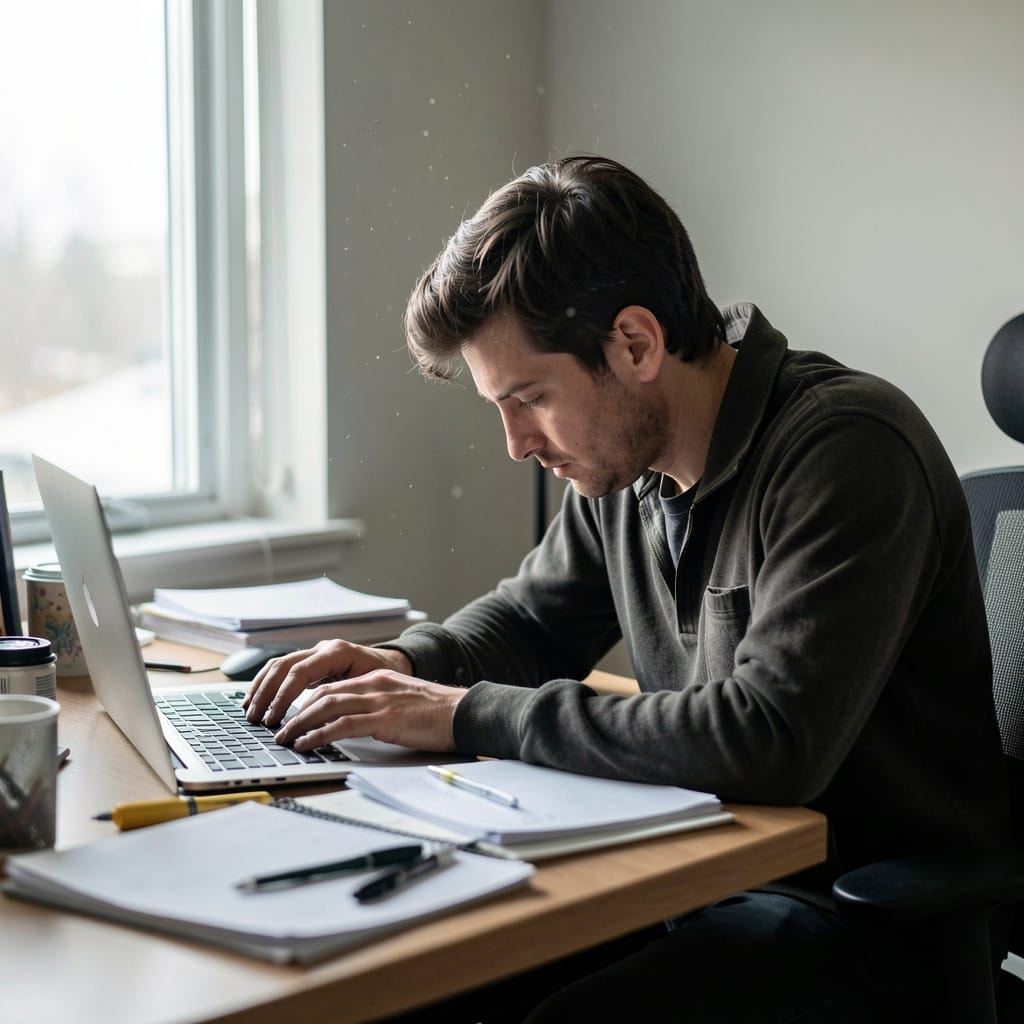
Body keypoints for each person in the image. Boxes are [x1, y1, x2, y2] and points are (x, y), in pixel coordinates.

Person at [243, 155, 1010, 1022]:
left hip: (865, 925)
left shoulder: (847, 451)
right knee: (424, 986)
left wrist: (457, 711)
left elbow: (768, 739)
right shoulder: (623, 470)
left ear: (636, 344)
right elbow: (533, 620)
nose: (517, 443)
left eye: (529, 397)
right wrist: (396, 665)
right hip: (696, 877)